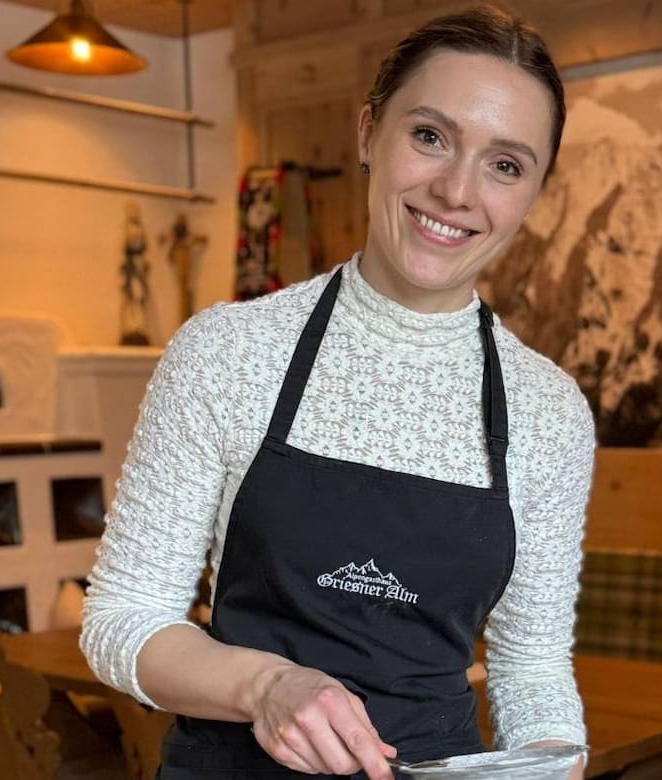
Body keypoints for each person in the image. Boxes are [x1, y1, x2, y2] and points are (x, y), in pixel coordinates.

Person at [81, 6, 595, 779]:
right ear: (368, 136)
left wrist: (550, 765)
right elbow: (121, 618)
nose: (457, 189)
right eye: (430, 136)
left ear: (532, 195)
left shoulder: (549, 412)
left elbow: (531, 666)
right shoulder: (227, 352)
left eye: (505, 164)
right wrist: (267, 685)